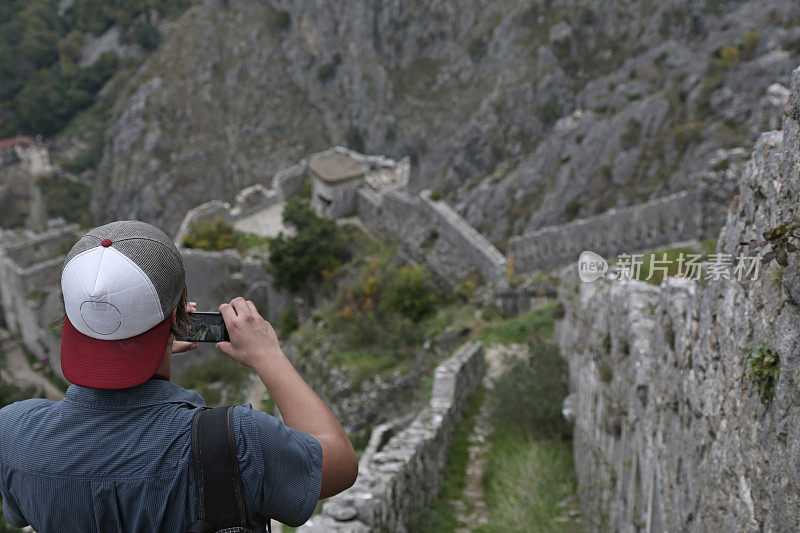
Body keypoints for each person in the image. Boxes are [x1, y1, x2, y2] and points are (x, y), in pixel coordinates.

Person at [0, 220, 357, 532]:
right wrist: (269, 356)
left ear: (70, 320)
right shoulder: (237, 442)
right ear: (177, 318)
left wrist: (137, 352)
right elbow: (339, 463)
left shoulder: (12, 433)